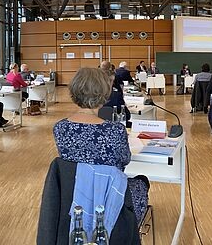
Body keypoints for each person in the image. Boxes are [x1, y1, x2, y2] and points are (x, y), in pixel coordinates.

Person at [52, 67, 149, 223]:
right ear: (105, 92)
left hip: (74, 196)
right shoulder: (115, 130)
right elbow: (124, 160)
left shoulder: (60, 128)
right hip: (111, 197)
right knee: (142, 181)